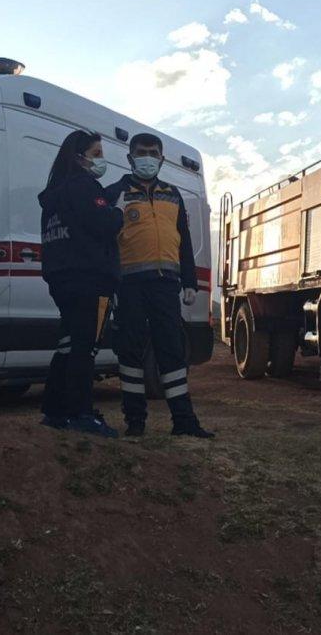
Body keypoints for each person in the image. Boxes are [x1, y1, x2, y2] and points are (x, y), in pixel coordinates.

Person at [106, 133, 214, 438]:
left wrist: (190, 281)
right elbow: (106, 241)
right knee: (131, 352)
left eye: (153, 153)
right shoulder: (116, 192)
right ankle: (135, 422)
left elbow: (184, 239)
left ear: (162, 159)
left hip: (166, 285)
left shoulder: (173, 194)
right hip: (129, 286)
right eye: (142, 152)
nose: (148, 158)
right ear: (130, 158)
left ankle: (184, 421)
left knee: (172, 351)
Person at [38, 129, 123, 437]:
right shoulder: (85, 186)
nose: (101, 161)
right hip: (91, 278)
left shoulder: (55, 193)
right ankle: (81, 414)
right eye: (96, 154)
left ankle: (55, 410)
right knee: (85, 348)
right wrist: (118, 214)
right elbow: (104, 223)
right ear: (79, 157)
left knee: (68, 344)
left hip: (61, 278)